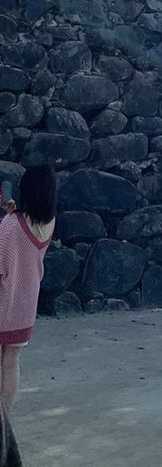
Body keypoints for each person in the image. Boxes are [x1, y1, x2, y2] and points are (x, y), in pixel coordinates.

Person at [0, 165, 56, 419]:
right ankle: (4, 419)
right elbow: (27, 238)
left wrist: (8, 218)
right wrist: (12, 215)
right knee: (11, 361)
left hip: (3, 301)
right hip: (25, 303)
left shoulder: (10, 225)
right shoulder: (50, 222)